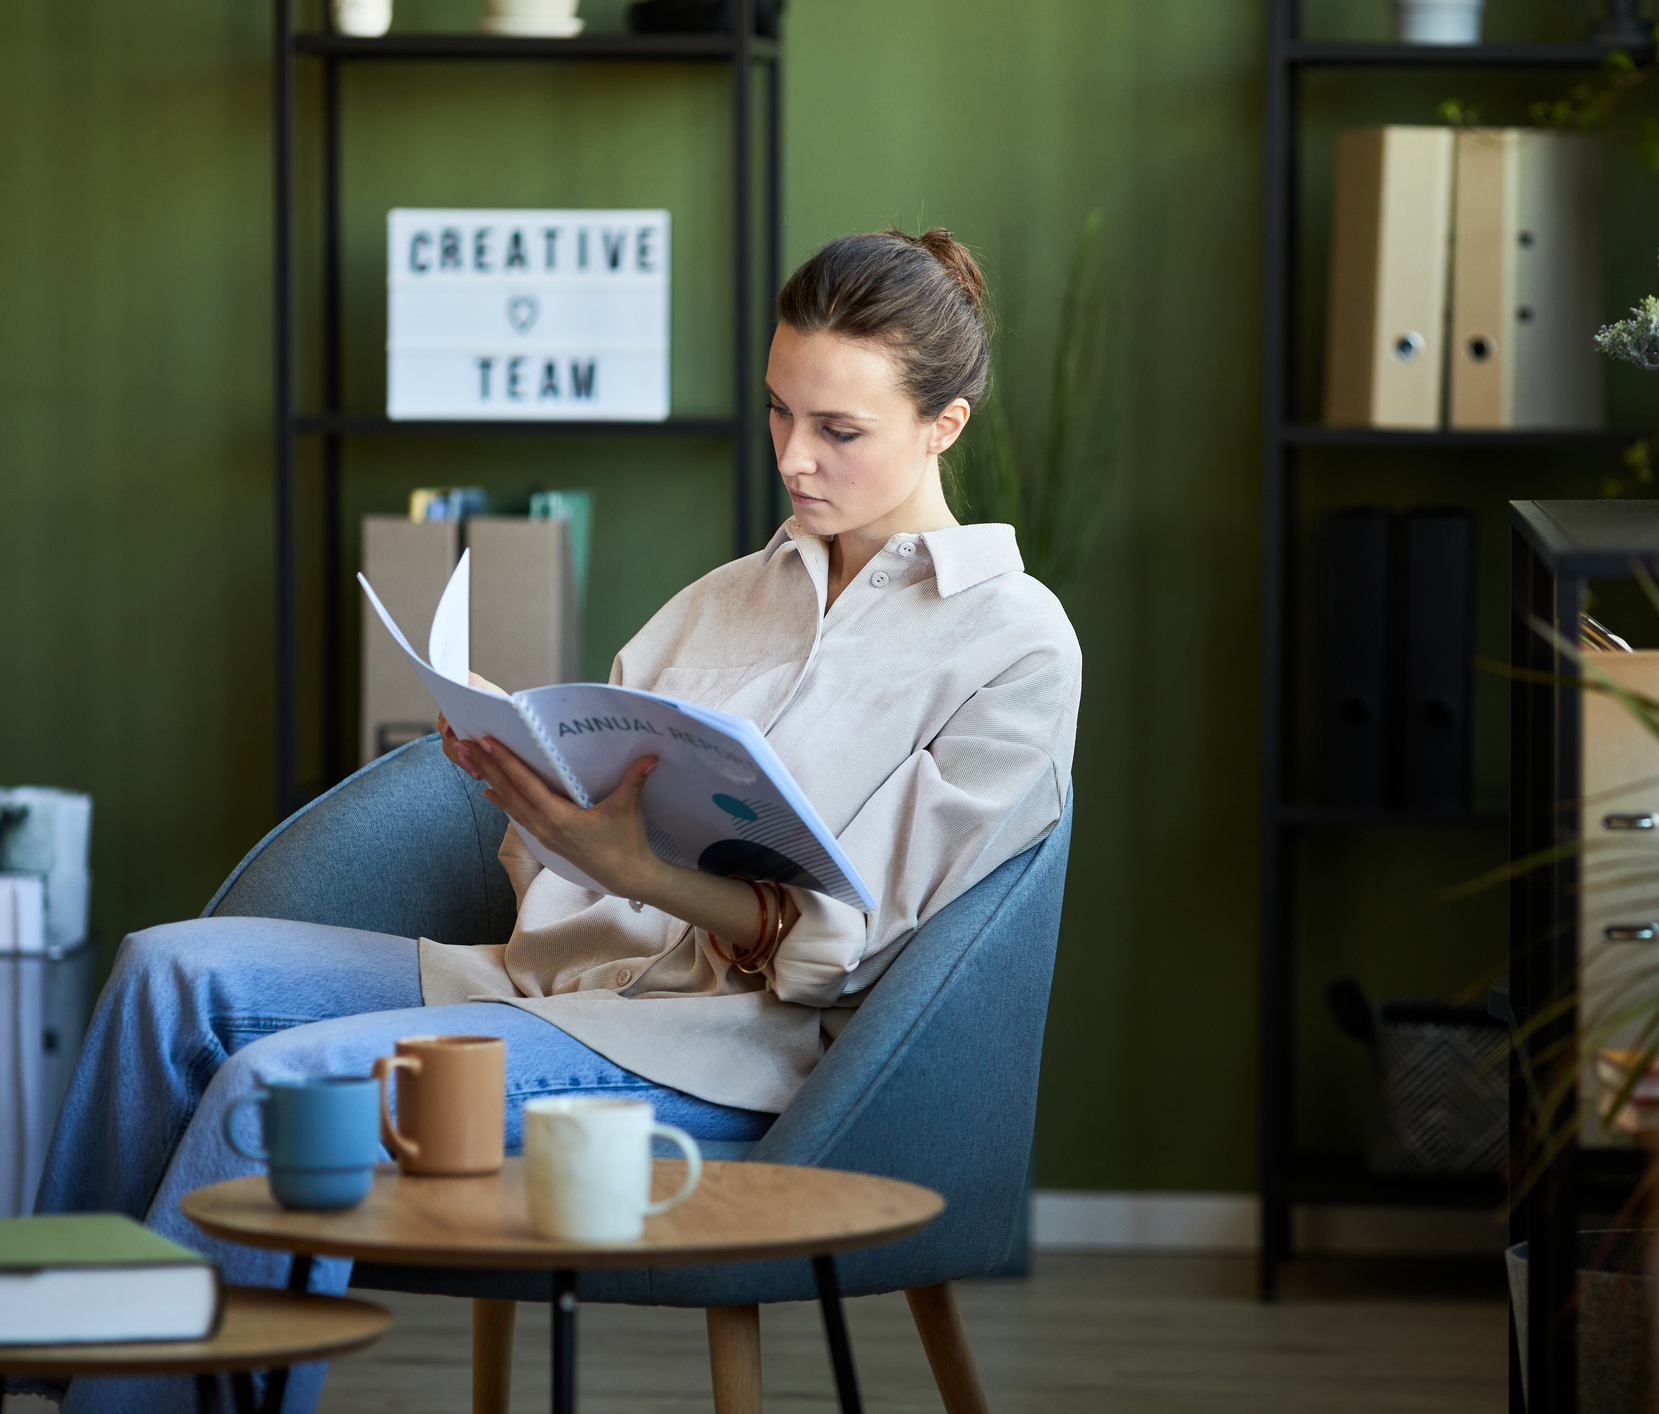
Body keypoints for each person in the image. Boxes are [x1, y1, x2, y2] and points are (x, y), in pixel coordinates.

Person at [29, 228, 1080, 1414]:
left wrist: (636, 865)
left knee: (291, 1079)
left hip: (731, 1050)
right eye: (780, 411)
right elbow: (574, 829)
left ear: (945, 424)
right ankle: (74, 1369)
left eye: (839, 430)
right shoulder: (723, 600)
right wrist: (532, 796)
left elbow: (856, 945)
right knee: (167, 974)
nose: (793, 457)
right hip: (556, 978)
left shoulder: (1014, 645)